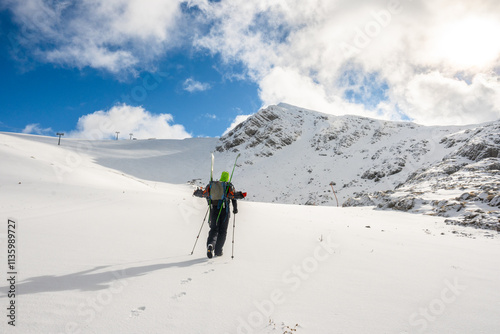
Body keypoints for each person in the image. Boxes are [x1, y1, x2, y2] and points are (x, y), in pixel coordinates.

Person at [193, 171, 245, 258]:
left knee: (213, 229)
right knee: (222, 231)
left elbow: (207, 195)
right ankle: (218, 251)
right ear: (227, 177)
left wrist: (210, 204)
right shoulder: (228, 185)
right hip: (225, 211)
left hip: (214, 209)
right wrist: (235, 209)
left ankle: (210, 245)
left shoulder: (213, 185)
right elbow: (233, 198)